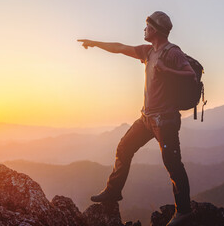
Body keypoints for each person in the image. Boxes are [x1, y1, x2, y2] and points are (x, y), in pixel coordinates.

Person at [78, 11, 196, 226]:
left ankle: (184, 211)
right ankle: (113, 192)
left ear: (155, 30)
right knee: (124, 148)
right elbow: (120, 48)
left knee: (173, 164)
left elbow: (190, 75)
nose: (144, 30)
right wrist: (94, 43)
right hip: (146, 119)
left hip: (166, 121)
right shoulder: (148, 52)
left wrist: (167, 70)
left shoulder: (173, 52)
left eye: (146, 27)